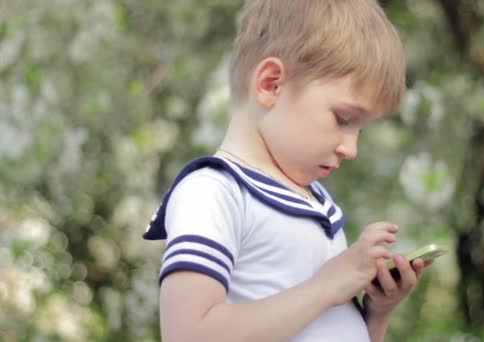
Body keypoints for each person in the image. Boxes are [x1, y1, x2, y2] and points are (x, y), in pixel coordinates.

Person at [144, 0, 431, 340]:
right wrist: (325, 287)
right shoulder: (214, 192)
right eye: (343, 119)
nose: (351, 149)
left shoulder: (316, 203)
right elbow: (187, 334)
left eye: (360, 130)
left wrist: (376, 313)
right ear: (271, 84)